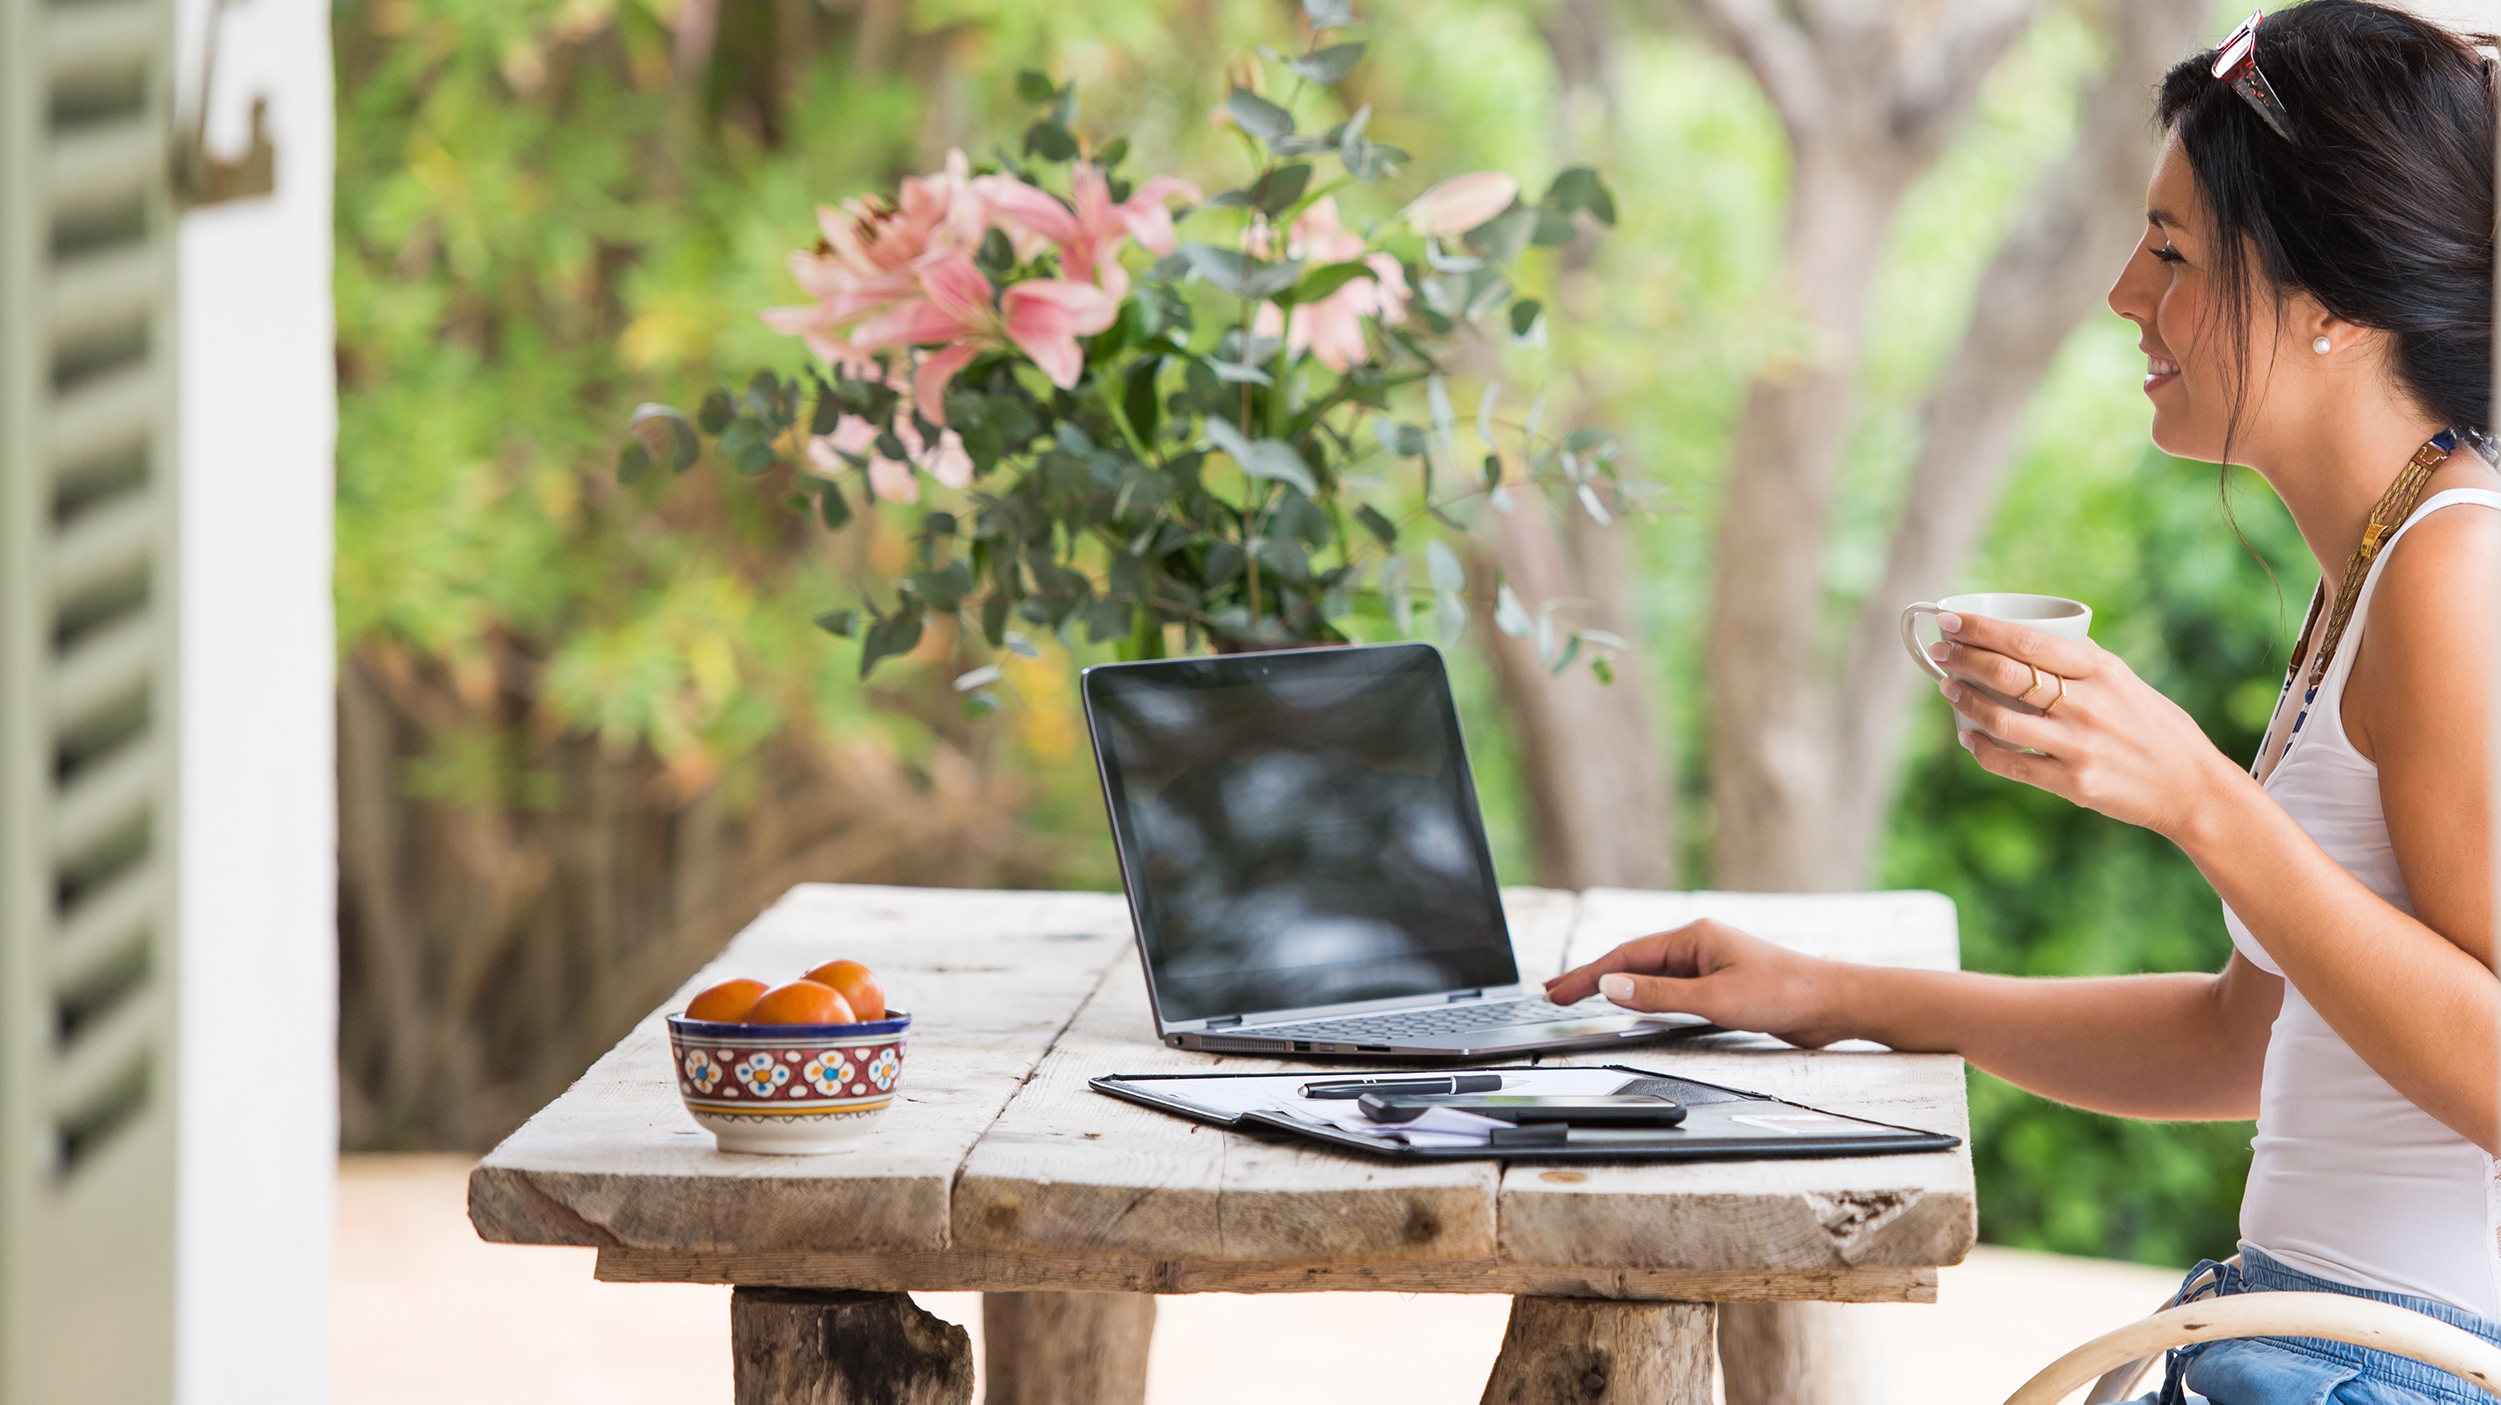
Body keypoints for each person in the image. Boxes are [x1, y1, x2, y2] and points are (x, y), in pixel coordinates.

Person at [1545, 4, 2501, 1401]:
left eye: (2170, 250)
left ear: (2332, 304)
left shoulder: (2452, 571)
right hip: (2284, 1341)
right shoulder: (2370, 565)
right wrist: (1835, 996)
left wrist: (2196, 796)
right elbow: (2245, 1038)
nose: (2123, 290)